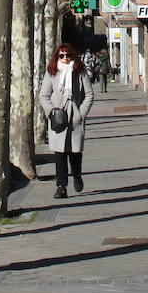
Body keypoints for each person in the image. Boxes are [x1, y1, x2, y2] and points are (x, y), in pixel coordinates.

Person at [38, 42, 95, 198]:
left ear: (73, 56)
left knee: (75, 152)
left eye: (67, 55)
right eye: (61, 55)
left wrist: (81, 113)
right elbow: (43, 95)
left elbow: (89, 94)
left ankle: (76, 175)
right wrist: (51, 111)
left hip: (75, 117)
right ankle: (61, 186)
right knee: (60, 154)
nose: (64, 58)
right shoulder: (51, 72)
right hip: (58, 118)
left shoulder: (80, 72)